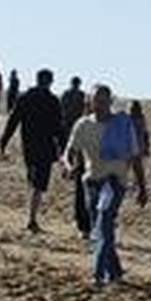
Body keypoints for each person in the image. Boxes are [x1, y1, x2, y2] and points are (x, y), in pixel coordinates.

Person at [62, 83, 148, 286]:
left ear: (110, 102)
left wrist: (142, 186)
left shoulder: (123, 125)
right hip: (91, 182)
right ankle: (116, 270)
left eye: (104, 101)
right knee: (98, 227)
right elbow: (69, 151)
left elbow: (135, 157)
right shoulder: (83, 125)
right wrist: (69, 165)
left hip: (114, 182)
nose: (100, 105)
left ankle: (99, 274)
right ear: (90, 102)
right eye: (96, 100)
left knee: (104, 222)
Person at [0, 68, 65, 233]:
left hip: (29, 147)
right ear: (50, 81)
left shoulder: (26, 98)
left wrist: (4, 141)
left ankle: (31, 217)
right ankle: (32, 218)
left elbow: (13, 120)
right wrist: (63, 150)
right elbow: (59, 128)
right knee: (39, 185)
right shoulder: (52, 101)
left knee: (34, 181)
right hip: (45, 149)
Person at [60, 76, 90, 235]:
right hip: (73, 128)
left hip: (69, 126)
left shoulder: (68, 94)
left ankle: (67, 169)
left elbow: (62, 108)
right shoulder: (81, 96)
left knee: (69, 152)